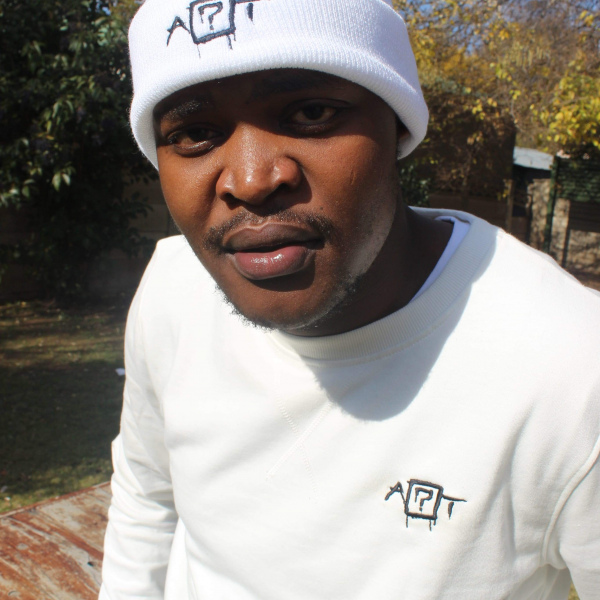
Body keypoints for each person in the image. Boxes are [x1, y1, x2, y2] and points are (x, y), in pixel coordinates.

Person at [100, 0, 600, 598]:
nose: (252, 180)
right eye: (193, 134)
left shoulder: (572, 371)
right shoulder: (172, 287)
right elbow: (146, 497)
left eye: (310, 113)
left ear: (400, 126)